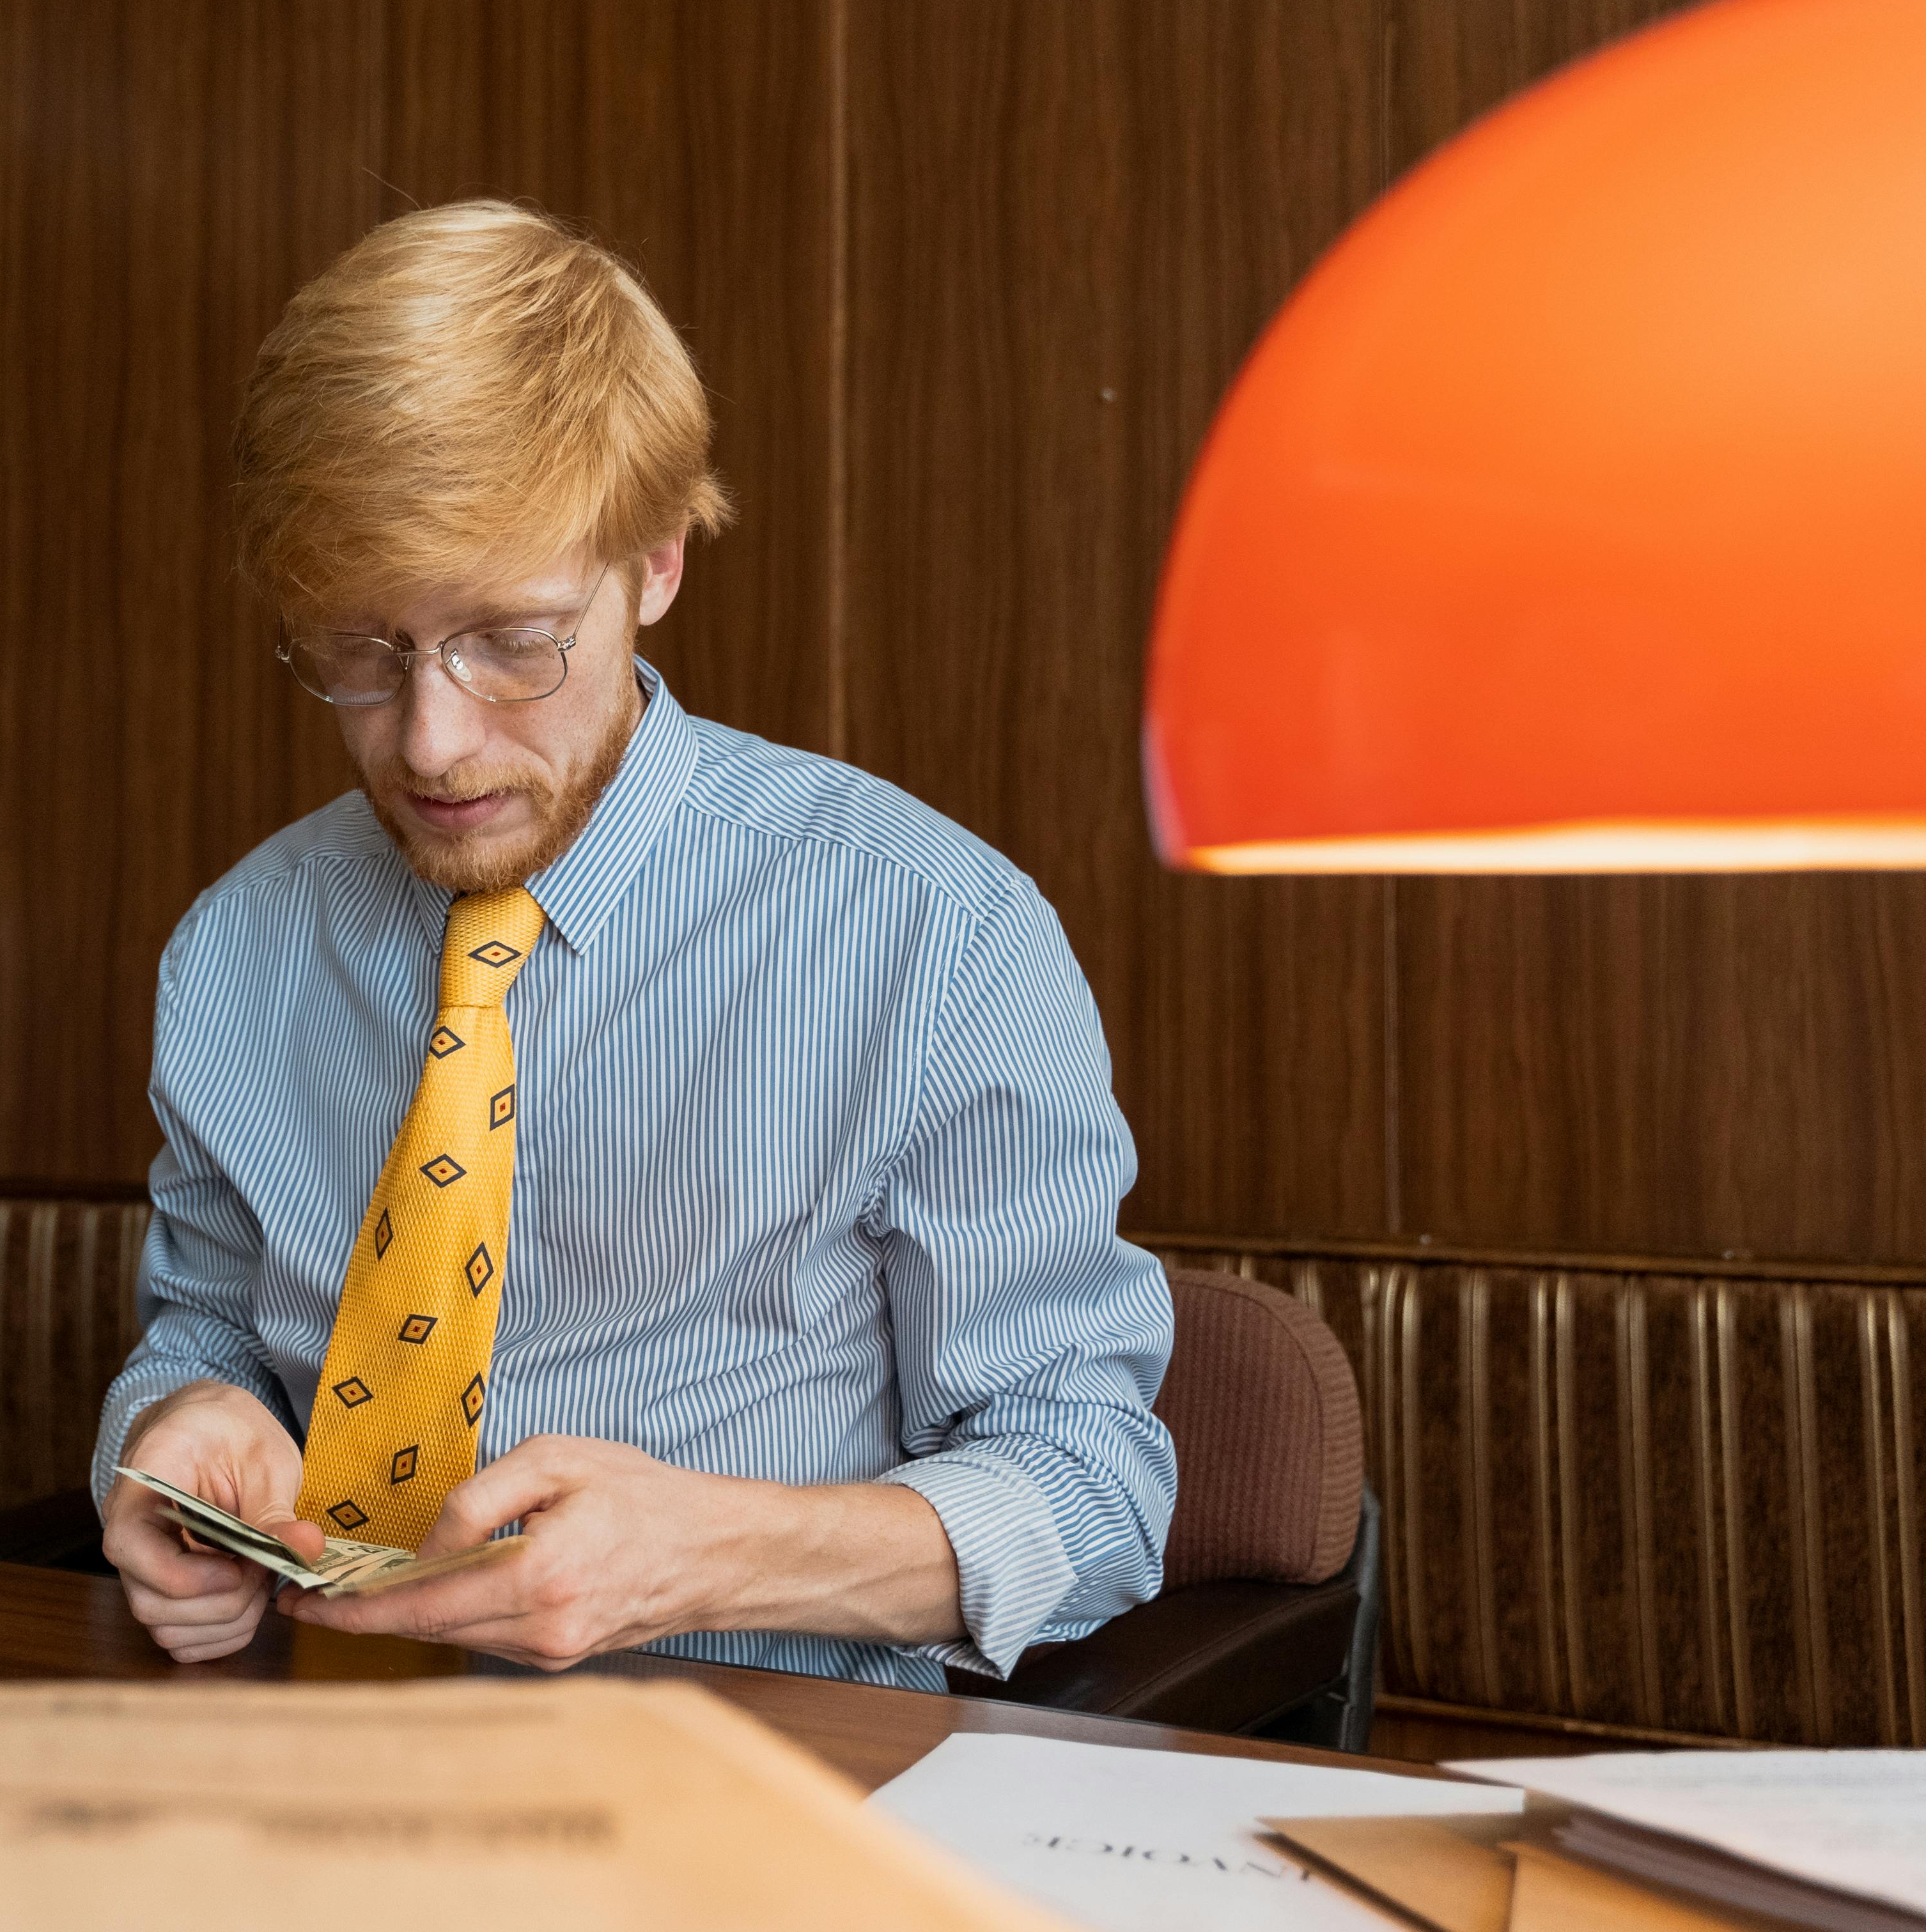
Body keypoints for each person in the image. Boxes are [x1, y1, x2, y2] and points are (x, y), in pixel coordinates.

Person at [89, 199, 1175, 1691]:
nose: (433, 738)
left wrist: (711, 1552)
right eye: (362, 650)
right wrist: (172, 1430)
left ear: (655, 562)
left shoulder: (932, 933)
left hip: (758, 1803)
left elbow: (1094, 1484)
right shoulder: (235, 955)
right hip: (315, 1773)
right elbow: (204, 1324)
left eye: (513, 638)